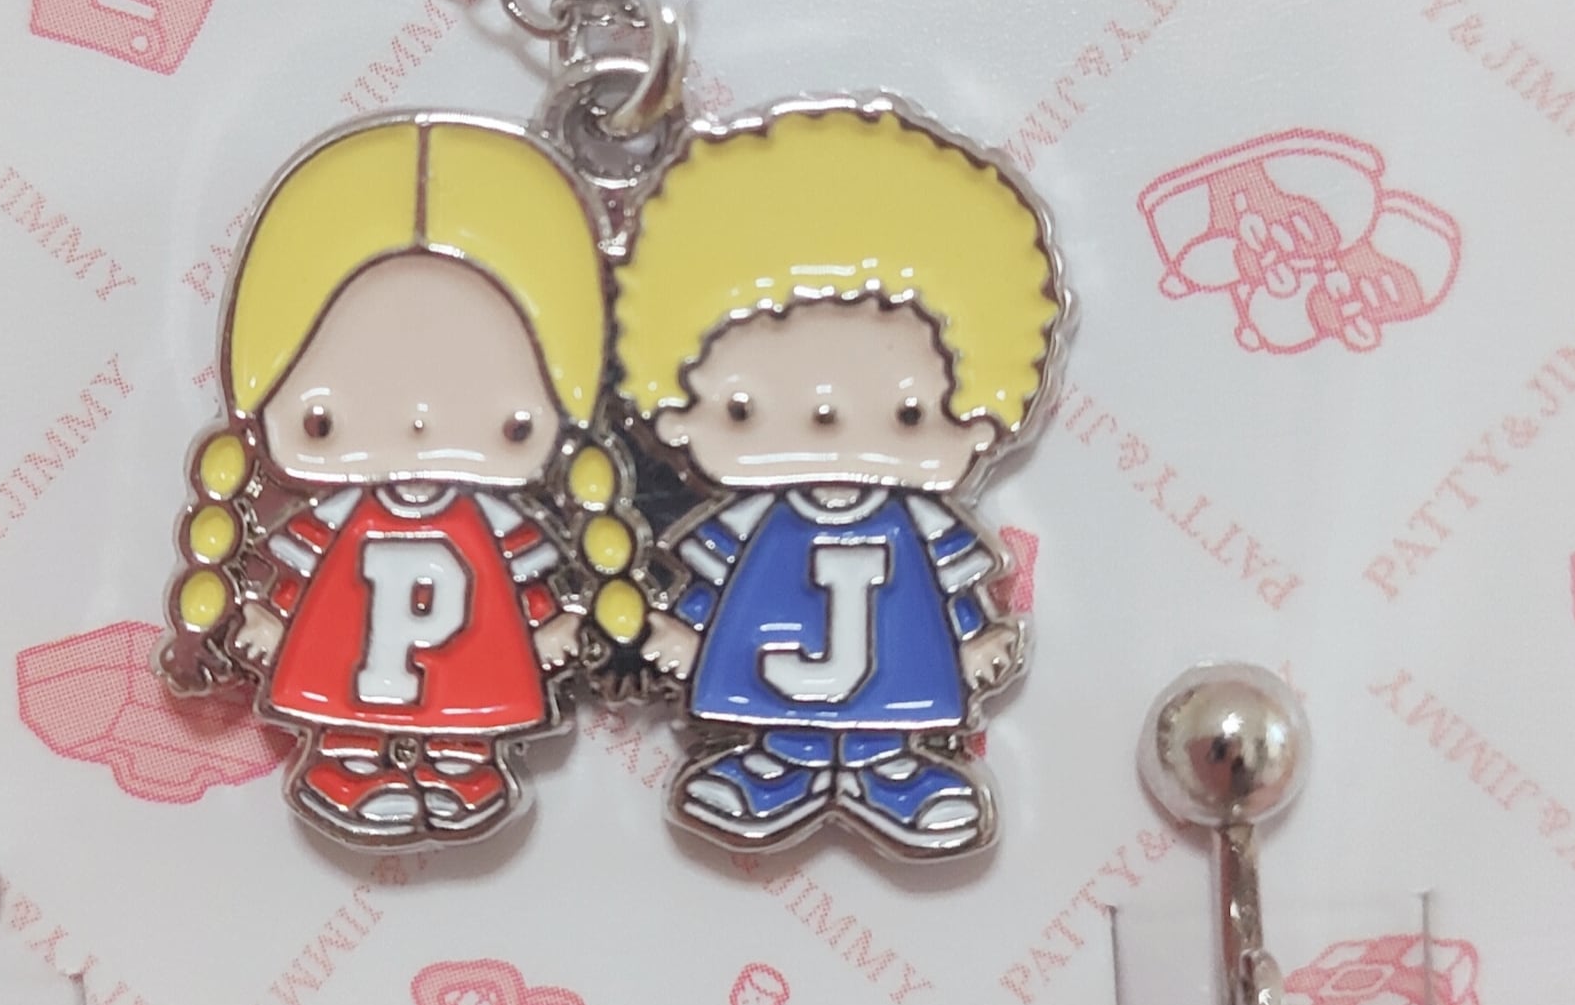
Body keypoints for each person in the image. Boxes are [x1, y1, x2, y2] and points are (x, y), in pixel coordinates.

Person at [612, 100, 1061, 855]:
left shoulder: (924, 523)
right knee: (773, 741)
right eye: (748, 408)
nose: (826, 421)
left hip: (899, 685)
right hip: (766, 685)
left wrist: (973, 644)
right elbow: (704, 582)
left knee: (892, 734)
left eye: (907, 413)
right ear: (678, 413)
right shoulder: (740, 521)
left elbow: (955, 588)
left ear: (978, 417)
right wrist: (681, 636)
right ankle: (773, 768)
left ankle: (894, 775)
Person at [169, 116, 622, 843]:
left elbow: (531, 582)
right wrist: (266, 623)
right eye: (324, 418)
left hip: (470, 677)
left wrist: (553, 628)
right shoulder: (332, 516)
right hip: (347, 673)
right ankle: (350, 766)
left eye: (508, 421)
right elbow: (292, 575)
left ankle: (460, 766)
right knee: (348, 733)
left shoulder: (499, 523)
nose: (416, 425)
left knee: (465, 735)